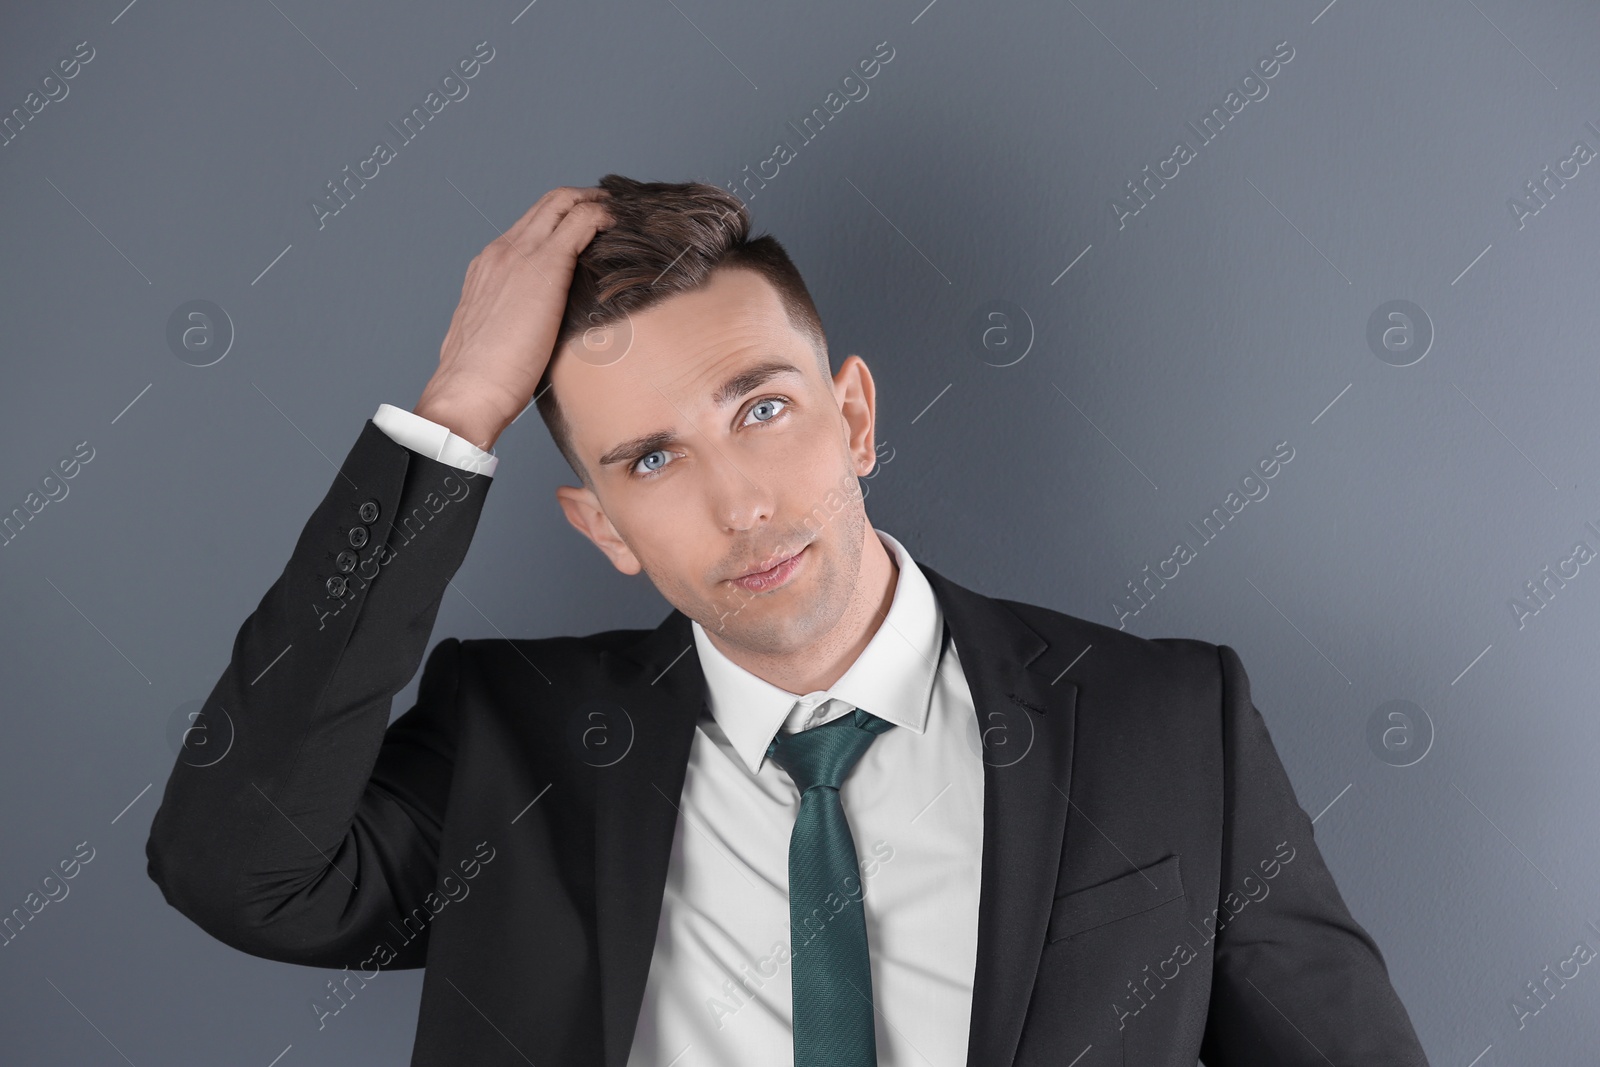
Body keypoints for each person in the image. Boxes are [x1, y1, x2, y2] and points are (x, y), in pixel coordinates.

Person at [145, 176, 1431, 1066]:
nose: (740, 501)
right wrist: (457, 412)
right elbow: (238, 868)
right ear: (602, 529)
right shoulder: (511, 742)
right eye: (650, 462)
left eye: (761, 408)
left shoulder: (1168, 722)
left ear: (855, 417)